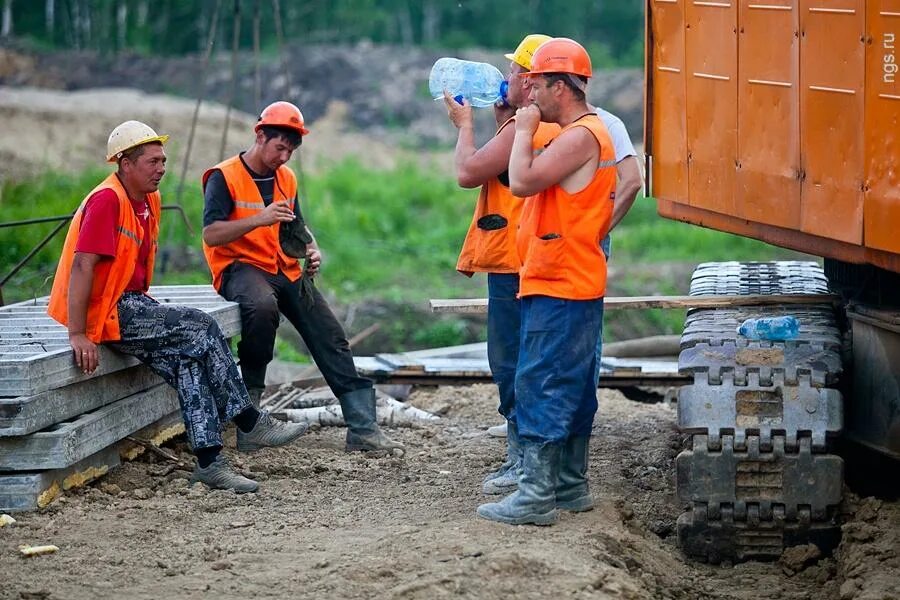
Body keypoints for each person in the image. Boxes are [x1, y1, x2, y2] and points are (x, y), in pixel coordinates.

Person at [47, 121, 308, 494]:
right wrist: (77, 333)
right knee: (200, 327)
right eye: (152, 161)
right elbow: (82, 266)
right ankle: (249, 418)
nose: (161, 168)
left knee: (188, 360)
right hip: (105, 311)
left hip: (130, 304)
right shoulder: (107, 200)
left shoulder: (148, 200)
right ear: (124, 164)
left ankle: (210, 463)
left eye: (163, 160)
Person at [201, 101, 403, 454]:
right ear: (260, 135)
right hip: (240, 266)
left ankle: (363, 429)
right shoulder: (223, 176)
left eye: (291, 150)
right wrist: (258, 219)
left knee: (330, 333)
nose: (285, 156)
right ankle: (251, 421)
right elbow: (211, 234)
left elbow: (297, 225)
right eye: (280, 147)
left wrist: (312, 249)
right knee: (261, 308)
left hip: (282, 265)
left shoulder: (287, 178)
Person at [476, 38, 617, 525]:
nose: (528, 92)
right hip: (569, 277)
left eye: (535, 83)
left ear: (562, 86)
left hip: (559, 281)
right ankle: (570, 486)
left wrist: (522, 131)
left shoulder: (580, 136)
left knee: (540, 382)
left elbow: (520, 181)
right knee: (572, 382)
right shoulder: (585, 132)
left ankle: (536, 494)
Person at [442, 34, 560, 496]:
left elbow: (468, 172)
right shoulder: (551, 126)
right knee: (538, 357)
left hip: (515, 262)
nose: (503, 76)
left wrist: (464, 125)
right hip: (541, 257)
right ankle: (539, 457)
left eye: (513, 71)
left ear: (531, 82)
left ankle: (523, 460)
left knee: (511, 361)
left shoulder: (521, 130)